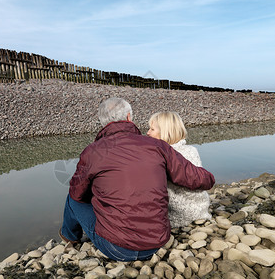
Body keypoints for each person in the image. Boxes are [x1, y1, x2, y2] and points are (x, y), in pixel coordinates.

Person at [60, 97, 215, 261]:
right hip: (157, 243)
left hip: (116, 248)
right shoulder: (157, 145)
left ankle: (69, 237)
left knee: (72, 198)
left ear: (103, 123)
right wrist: (210, 178)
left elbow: (77, 194)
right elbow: (196, 178)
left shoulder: (92, 152)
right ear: (129, 117)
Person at [147, 111, 212, 227]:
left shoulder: (162, 157)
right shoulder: (191, 150)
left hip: (180, 213)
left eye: (152, 129)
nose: (147, 133)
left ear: (165, 132)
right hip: (201, 207)